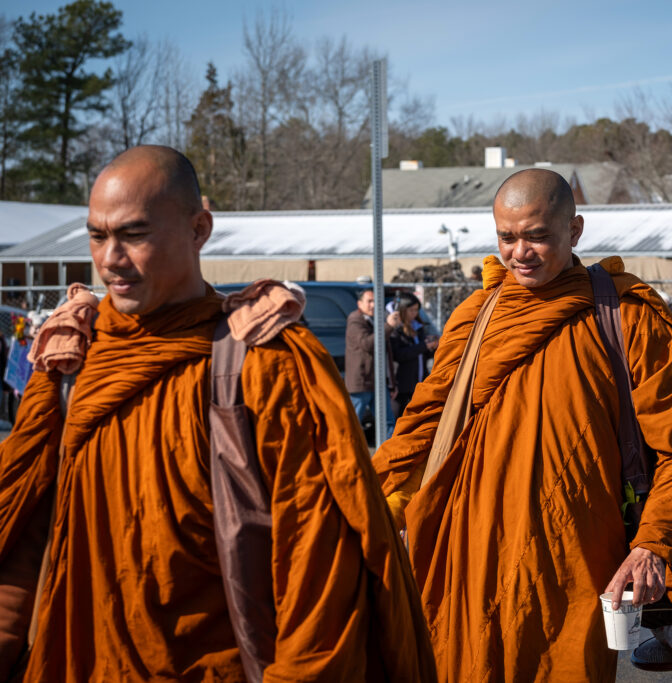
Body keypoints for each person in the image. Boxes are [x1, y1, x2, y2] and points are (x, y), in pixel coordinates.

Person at [0, 146, 436, 681]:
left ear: (199, 228)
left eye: (134, 234)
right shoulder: (72, 361)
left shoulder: (262, 364)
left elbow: (315, 559)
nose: (110, 258)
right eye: (97, 235)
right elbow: (23, 540)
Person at [374, 168, 672, 682]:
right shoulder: (478, 316)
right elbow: (421, 423)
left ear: (574, 231)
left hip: (575, 558)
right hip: (469, 553)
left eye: (537, 236)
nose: (520, 253)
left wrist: (652, 543)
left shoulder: (626, 316)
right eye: (507, 238)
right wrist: (366, 502)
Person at [345, 288, 396, 441]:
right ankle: (347, 458)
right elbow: (367, 344)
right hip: (361, 382)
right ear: (359, 303)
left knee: (388, 423)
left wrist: (391, 382)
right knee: (352, 424)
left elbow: (387, 353)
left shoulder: (376, 319)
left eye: (376, 301)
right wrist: (389, 326)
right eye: (369, 301)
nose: (373, 305)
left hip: (378, 381)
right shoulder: (355, 319)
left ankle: (389, 459)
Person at [389, 291, 438, 417]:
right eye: (411, 310)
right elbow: (399, 355)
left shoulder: (418, 327)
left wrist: (432, 347)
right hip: (403, 385)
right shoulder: (396, 329)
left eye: (416, 310)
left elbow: (422, 355)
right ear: (402, 310)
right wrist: (423, 346)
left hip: (418, 382)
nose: (414, 314)